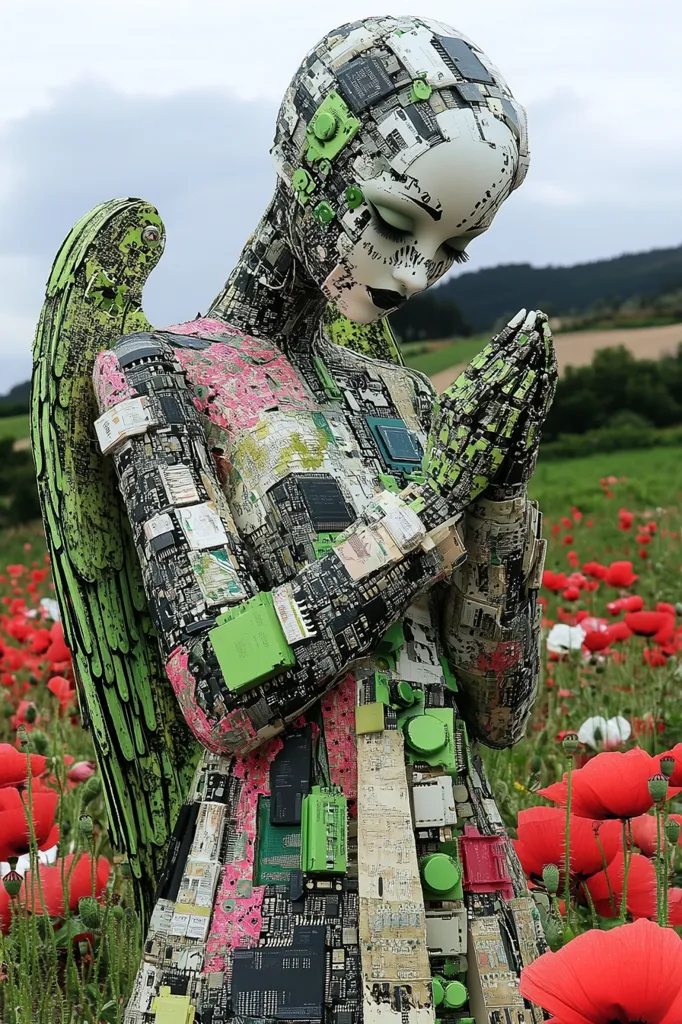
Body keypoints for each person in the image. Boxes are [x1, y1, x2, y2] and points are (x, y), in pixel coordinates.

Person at [32, 15, 556, 1024]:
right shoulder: (165, 376)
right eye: (395, 221)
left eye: (450, 250)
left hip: (465, 902)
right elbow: (221, 685)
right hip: (282, 922)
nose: (410, 272)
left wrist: (499, 496)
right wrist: (430, 507)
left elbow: (501, 711)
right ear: (306, 156)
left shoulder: (403, 400)